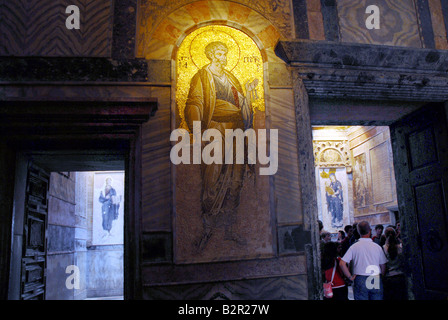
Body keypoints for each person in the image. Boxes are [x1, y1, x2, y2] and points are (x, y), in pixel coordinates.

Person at [184, 41, 257, 251]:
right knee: (212, 179)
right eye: (219, 53)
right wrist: (198, 132)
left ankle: (229, 229)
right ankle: (207, 229)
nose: (223, 57)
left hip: (235, 131)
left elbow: (242, 105)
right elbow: (194, 103)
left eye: (225, 53)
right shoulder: (202, 76)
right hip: (215, 129)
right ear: (210, 55)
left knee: (235, 179)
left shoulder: (232, 78)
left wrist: (249, 95)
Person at [339, 221, 387, 300]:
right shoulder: (377, 247)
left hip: (360, 278)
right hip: (375, 277)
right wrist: (382, 276)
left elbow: (342, 263)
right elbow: (383, 265)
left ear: (358, 231)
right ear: (370, 231)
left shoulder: (354, 247)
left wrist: (350, 277)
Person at [382, 227, 407, 300]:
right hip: (400, 276)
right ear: (395, 235)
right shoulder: (400, 247)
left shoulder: (383, 249)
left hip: (389, 278)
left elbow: (383, 266)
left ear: (385, 236)